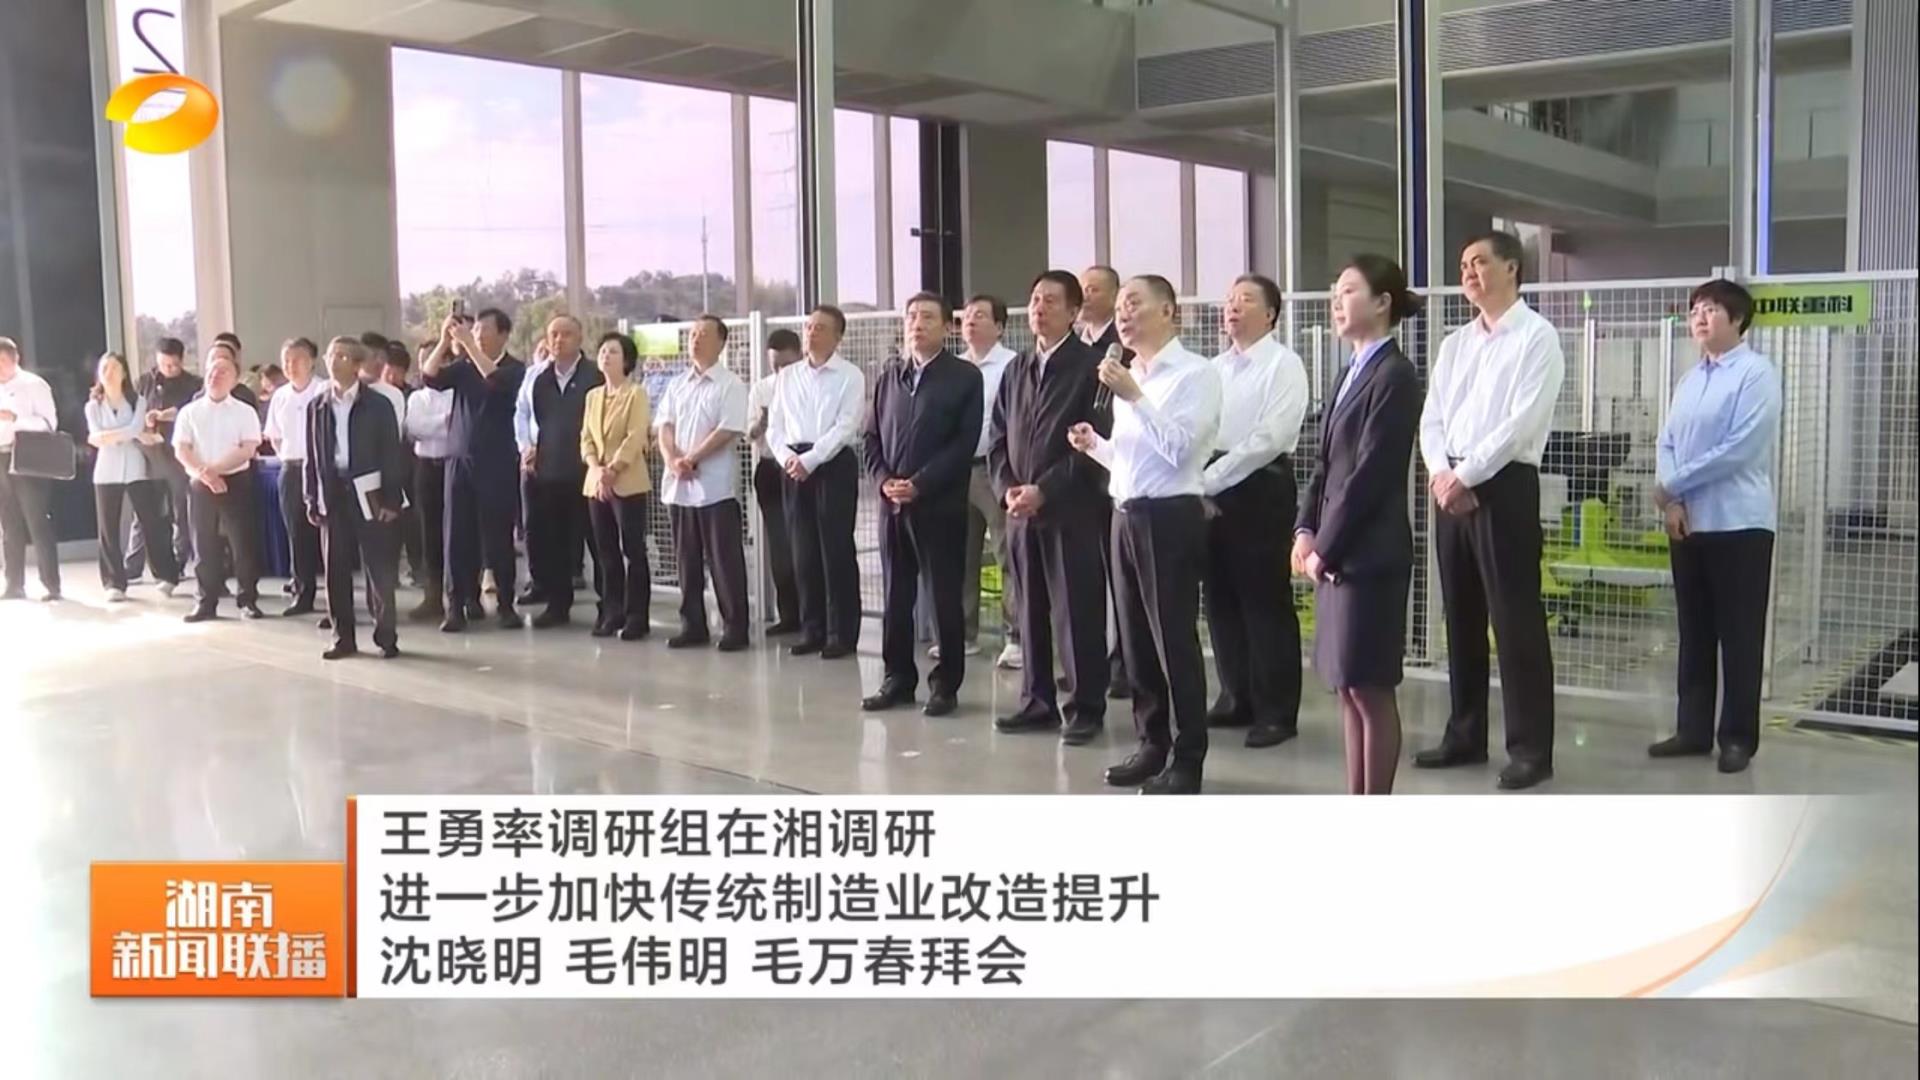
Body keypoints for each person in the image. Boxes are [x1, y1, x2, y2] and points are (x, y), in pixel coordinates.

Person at [1415, 231, 1564, 791]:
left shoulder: (1536, 337)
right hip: (1449, 485)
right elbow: (1433, 417)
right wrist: (1442, 473)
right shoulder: (1456, 343)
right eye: (1463, 265)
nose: (1469, 273)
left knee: (1515, 620)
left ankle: (1530, 750)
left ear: (1512, 268)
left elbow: (1521, 423)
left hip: (1503, 485)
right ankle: (1465, 733)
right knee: (1461, 614)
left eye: (1479, 262)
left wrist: (1467, 475)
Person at [1069, 274, 1221, 795]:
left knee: (1172, 640)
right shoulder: (1130, 375)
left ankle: (1188, 757)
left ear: (1169, 311)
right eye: (1119, 307)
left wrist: (1134, 397)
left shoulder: (1196, 374)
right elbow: (1134, 461)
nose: (1123, 314)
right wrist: (1095, 446)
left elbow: (1180, 451)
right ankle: (1151, 743)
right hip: (1125, 514)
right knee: (1135, 642)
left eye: (1134, 303)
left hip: (1169, 519)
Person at [1294, 255, 1424, 795]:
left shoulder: (1396, 375)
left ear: (1382, 302)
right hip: (1335, 553)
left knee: (1370, 688)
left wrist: (1325, 546)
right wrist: (1304, 530)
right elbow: (1324, 465)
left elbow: (1372, 473)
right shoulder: (1348, 372)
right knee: (1347, 688)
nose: (1336, 300)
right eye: (1335, 291)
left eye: (1348, 290)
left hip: (1369, 555)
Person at [1650, 279, 1781, 775]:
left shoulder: (1756, 373)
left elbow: (1739, 449)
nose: (1700, 318)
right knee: (1695, 631)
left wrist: (1673, 484)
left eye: (1711, 310)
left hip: (1739, 523)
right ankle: (1692, 730)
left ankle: (1737, 738)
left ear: (1738, 319)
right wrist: (1672, 500)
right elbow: (1667, 442)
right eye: (1694, 311)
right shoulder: (1690, 380)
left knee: (1740, 634)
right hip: (1688, 522)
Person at [990, 271, 1111, 744]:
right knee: (1029, 608)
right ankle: (1036, 701)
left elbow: (1096, 442)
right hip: (1021, 512)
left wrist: (1045, 490)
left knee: (1076, 610)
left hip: (1071, 510)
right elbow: (998, 437)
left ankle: (1085, 707)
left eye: (1051, 301)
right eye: (1035, 299)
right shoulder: (1016, 369)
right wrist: (1008, 489)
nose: (1039, 308)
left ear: (1074, 311)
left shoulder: (1092, 367)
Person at [862, 293, 984, 717]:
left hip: (939, 505)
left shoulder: (964, 377)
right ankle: (897, 678)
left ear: (948, 327)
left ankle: (945, 685)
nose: (917, 323)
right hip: (892, 506)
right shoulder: (889, 377)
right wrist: (884, 481)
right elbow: (870, 438)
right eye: (912, 316)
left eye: (928, 317)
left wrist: (920, 484)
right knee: (896, 597)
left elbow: (963, 443)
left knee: (944, 597)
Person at [1201, 274, 1309, 749]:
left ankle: (1276, 711)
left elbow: (1270, 438)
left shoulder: (1284, 365)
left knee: (1264, 601)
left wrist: (1212, 478)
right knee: (1219, 596)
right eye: (1229, 299)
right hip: (1210, 483)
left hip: (1259, 486)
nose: (1233, 307)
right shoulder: (1213, 368)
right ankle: (1235, 695)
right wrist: (1202, 479)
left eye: (1245, 300)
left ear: (1270, 314)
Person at [766, 304, 866, 659]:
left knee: (835, 550)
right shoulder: (787, 376)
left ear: (838, 337)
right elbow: (774, 426)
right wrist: (788, 459)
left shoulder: (850, 375)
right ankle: (812, 629)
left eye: (821, 328)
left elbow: (846, 425)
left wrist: (811, 459)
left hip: (832, 463)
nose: (812, 332)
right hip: (793, 466)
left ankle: (841, 633)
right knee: (802, 550)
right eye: (809, 326)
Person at [423, 308, 528, 632]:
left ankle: (506, 604)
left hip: (496, 461)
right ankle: (456, 604)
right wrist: (444, 341)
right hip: (459, 460)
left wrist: (468, 345)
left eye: (485, 330)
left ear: (504, 334)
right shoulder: (464, 366)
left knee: (497, 535)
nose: (478, 335)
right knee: (457, 535)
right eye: (476, 330)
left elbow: (493, 380)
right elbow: (429, 376)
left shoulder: (514, 369)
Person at [304, 336, 406, 660]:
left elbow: (392, 453)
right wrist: (311, 496)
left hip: (369, 489)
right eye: (331, 355)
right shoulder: (317, 406)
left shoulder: (378, 405)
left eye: (343, 356)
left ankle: (386, 634)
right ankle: (342, 637)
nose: (334, 361)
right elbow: (312, 457)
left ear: (358, 364)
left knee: (378, 566)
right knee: (335, 567)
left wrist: (392, 499)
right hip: (333, 489)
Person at [655, 315, 751, 651]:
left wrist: (692, 457)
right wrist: (672, 459)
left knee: (724, 561)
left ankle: (735, 627)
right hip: (679, 485)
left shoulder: (731, 384)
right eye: (693, 333)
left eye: (704, 334)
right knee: (687, 560)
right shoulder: (677, 383)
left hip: (714, 487)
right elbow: (664, 426)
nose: (695, 339)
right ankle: (692, 625)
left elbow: (728, 429)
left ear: (721, 342)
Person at [516, 315, 601, 628]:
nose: (559, 340)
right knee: (554, 543)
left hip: (588, 472)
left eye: (566, 334)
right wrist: (529, 449)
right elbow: (529, 419)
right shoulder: (540, 379)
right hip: (549, 473)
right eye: (553, 334)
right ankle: (557, 605)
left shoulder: (595, 375)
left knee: (597, 542)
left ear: (580, 338)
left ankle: (610, 606)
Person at [173, 349, 264, 622]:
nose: (216, 375)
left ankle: (247, 599)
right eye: (212, 370)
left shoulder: (244, 412)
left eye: (223, 371)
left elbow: (247, 448)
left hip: (235, 480)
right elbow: (181, 449)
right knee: (203, 544)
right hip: (200, 481)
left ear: (235, 380)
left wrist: (215, 470)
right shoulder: (189, 411)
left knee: (242, 543)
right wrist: (204, 473)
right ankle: (205, 601)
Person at [956, 294, 1021, 666]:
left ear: (999, 326)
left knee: (1007, 554)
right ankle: (963, 634)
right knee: (960, 556)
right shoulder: (953, 367)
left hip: (994, 470)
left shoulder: (1012, 366)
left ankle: (1017, 637)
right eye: (966, 316)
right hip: (955, 470)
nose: (970, 321)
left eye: (980, 315)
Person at [86, 352, 180, 601]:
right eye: (104, 368)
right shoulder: (93, 406)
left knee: (151, 522)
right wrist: (127, 434)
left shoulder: (137, 401)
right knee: (108, 528)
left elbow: (133, 428)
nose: (109, 373)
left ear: (124, 373)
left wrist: (112, 436)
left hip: (137, 468)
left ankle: (166, 575)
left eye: (114, 368)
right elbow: (96, 436)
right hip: (106, 471)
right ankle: (113, 582)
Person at [1078, 264, 1132, 698]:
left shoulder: (1123, 348)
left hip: (1119, 473)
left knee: (1120, 582)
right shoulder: (1074, 345)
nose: (1085, 295)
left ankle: (1125, 665)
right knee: (1086, 577)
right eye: (1081, 288)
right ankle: (1088, 664)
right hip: (1079, 472)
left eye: (1094, 289)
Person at [580, 332, 654, 641]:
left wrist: (613, 469)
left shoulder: (636, 394)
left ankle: (637, 616)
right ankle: (612, 612)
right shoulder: (593, 396)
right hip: (596, 484)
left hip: (628, 482)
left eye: (613, 351)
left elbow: (636, 436)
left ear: (626, 360)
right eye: (602, 351)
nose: (605, 356)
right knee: (605, 552)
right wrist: (596, 469)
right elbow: (586, 438)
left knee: (633, 550)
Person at [261, 338, 328, 615]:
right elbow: (275, 437)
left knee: (327, 534)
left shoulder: (324, 390)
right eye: (286, 361)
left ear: (312, 361)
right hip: (290, 468)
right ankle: (303, 593)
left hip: (322, 470)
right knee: (296, 533)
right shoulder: (280, 396)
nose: (291, 366)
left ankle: (337, 599)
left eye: (297, 359)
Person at [128, 337, 200, 579]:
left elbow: (191, 412)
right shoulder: (144, 382)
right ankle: (133, 564)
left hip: (178, 455)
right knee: (144, 510)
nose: (168, 369)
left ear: (182, 361)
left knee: (180, 510)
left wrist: (167, 415)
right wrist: (146, 421)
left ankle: (178, 561)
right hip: (148, 453)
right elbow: (133, 412)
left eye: (173, 365)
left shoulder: (192, 384)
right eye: (163, 364)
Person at [747, 328, 803, 634]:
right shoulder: (762, 389)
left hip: (801, 467)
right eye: (775, 365)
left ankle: (814, 615)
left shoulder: (809, 385)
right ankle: (789, 615)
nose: (781, 371)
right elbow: (750, 435)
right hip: (770, 468)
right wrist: (762, 422)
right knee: (779, 546)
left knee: (805, 543)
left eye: (786, 364)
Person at [0, 336, 62, 602]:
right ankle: (14, 584)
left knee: (37, 520)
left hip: (28, 456)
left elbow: (49, 424)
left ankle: (51, 584)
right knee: (8, 523)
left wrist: (16, 418)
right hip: (1, 456)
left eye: (2, 361)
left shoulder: (34, 385)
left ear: (16, 359)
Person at [404, 340, 456, 623]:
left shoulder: (456, 393)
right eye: (423, 359)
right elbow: (415, 428)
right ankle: (432, 596)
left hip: (452, 466)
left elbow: (456, 428)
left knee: (457, 532)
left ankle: (463, 596)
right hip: (425, 467)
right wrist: (442, 421)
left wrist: (436, 424)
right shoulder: (416, 398)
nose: (427, 365)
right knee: (428, 533)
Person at [382, 340, 425, 587]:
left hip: (409, 464)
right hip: (383, 467)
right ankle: (388, 571)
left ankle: (417, 567)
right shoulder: (374, 395)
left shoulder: (412, 396)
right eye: (387, 369)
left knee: (412, 520)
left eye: (396, 371)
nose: (391, 376)